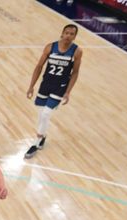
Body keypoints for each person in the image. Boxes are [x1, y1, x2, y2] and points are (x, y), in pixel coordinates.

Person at [24, 24, 83, 159]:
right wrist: (31, 86)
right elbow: (39, 66)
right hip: (46, 83)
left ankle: (36, 141)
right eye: (66, 33)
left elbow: (75, 73)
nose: (68, 36)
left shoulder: (77, 51)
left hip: (60, 86)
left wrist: (68, 92)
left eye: (72, 34)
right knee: (40, 113)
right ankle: (43, 135)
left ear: (75, 36)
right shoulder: (50, 47)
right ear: (62, 33)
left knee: (46, 114)